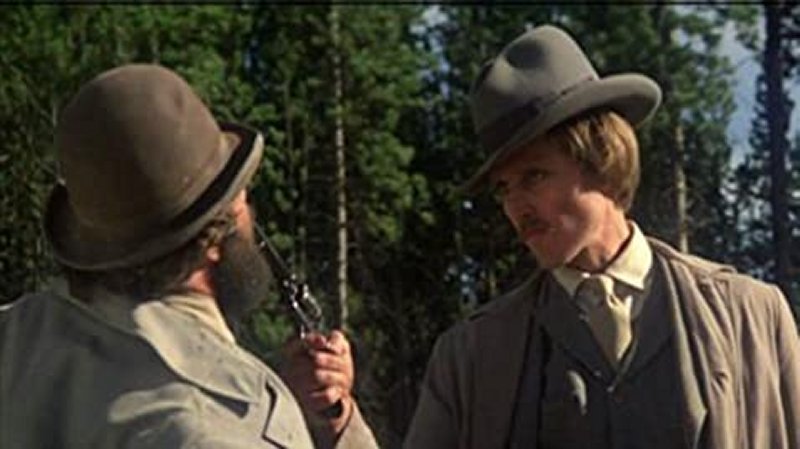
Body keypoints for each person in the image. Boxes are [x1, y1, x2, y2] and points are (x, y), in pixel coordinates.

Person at [400, 25, 800, 449]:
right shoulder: (472, 355)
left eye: (534, 176)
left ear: (602, 160)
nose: (516, 207)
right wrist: (349, 420)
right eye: (503, 189)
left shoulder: (749, 315)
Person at [0, 64, 376, 448]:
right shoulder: (221, 423)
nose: (252, 212)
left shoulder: (14, 339)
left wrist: (324, 422)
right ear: (212, 243)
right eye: (242, 195)